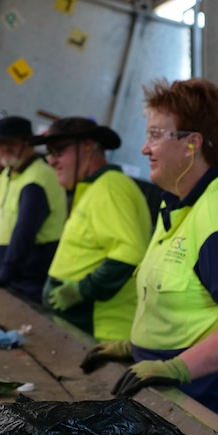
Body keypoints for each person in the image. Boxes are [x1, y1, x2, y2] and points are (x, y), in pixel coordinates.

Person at [80, 78, 218, 435]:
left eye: (157, 135)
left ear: (192, 143)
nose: (145, 148)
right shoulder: (180, 205)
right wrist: (139, 346)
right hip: (186, 407)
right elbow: (189, 301)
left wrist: (176, 366)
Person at [35, 117, 151, 342]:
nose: (52, 161)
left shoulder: (110, 187)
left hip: (102, 332)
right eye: (49, 153)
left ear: (88, 147)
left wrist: (81, 291)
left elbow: (129, 254)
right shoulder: (95, 188)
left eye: (58, 151)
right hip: (88, 331)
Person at [0, 116, 67, 302]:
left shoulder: (38, 178)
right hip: (10, 276)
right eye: (0, 143)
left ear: (28, 143)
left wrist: (3, 275)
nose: (5, 148)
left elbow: (24, 232)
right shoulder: (8, 174)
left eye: (12, 143)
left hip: (27, 280)